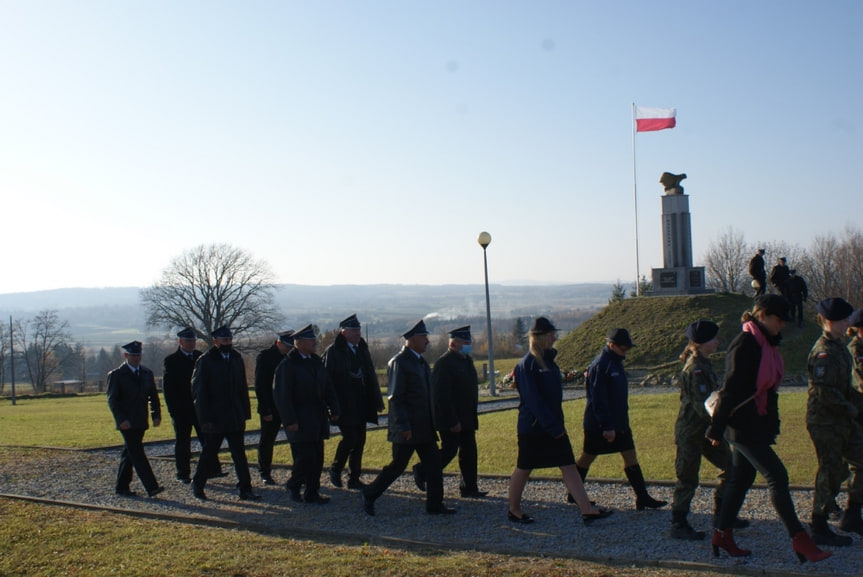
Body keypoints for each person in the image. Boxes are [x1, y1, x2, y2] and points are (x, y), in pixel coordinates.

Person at [706, 295, 830, 563]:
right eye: (778, 319)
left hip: (756, 424)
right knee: (777, 476)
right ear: (761, 315)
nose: (782, 325)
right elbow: (729, 390)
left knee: (741, 479)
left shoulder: (766, 344)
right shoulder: (745, 344)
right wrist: (715, 430)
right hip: (741, 427)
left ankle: (721, 534)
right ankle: (800, 540)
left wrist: (770, 425)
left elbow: (767, 391)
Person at [507, 317, 611, 525]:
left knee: (568, 465)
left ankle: (587, 510)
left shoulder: (549, 362)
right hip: (534, 428)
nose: (555, 337)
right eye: (551, 334)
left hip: (554, 426)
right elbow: (534, 401)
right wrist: (552, 427)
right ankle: (514, 510)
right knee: (524, 467)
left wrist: (556, 426)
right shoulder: (527, 365)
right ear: (541, 337)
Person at [361, 320, 455, 516]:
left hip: (424, 427)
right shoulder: (400, 363)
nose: (427, 341)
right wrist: (403, 426)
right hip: (408, 428)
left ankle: (435, 505)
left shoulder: (419, 362)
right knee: (397, 467)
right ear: (412, 339)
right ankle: (370, 494)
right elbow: (396, 398)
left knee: (434, 467)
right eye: (423, 337)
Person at [670, 320, 747, 540]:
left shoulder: (704, 363)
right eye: (713, 339)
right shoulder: (695, 368)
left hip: (707, 430)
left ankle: (723, 515)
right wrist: (722, 425)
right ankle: (678, 523)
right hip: (692, 431)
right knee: (687, 477)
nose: (717, 342)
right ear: (701, 343)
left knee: (731, 467)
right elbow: (702, 404)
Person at [575, 328, 666, 511]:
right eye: (623, 348)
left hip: (620, 421)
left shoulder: (616, 363)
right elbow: (597, 398)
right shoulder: (601, 365)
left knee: (630, 455)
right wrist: (606, 426)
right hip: (599, 424)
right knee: (588, 456)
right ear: (611, 345)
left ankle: (642, 496)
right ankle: (574, 493)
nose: (626, 352)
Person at [806, 298, 863, 544]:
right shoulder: (824, 352)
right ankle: (818, 525)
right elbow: (824, 391)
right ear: (830, 322)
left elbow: (845, 386)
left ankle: (852, 513)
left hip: (843, 420)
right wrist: (850, 407)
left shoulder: (839, 347)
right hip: (825, 421)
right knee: (829, 471)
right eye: (844, 320)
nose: (848, 323)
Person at [191, 326, 260, 501]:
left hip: (234, 415)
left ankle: (246, 489)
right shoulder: (206, 361)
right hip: (215, 417)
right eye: (224, 341)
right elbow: (199, 391)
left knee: (239, 455)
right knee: (209, 453)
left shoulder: (236, 358)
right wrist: (204, 418)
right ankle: (198, 485)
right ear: (215, 342)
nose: (228, 343)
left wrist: (244, 412)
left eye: (229, 340)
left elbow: (242, 388)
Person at [274, 324, 341, 504]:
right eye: (311, 340)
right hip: (299, 419)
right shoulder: (287, 366)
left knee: (317, 459)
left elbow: (328, 387)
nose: (315, 342)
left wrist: (334, 409)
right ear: (300, 343)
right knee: (304, 458)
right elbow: (282, 397)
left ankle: (312, 492)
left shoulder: (316, 362)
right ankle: (294, 485)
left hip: (316, 418)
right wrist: (290, 421)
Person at [419, 325, 487, 498]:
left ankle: (469, 487)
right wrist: (451, 421)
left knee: (469, 453)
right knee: (449, 451)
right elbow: (441, 396)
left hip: (467, 417)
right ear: (453, 344)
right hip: (451, 419)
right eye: (465, 341)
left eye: (469, 341)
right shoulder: (444, 363)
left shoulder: (466, 360)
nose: (469, 344)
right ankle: (422, 471)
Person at [323, 314, 383, 490]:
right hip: (344, 404)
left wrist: (377, 400)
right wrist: (332, 407)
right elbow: (327, 382)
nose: (358, 333)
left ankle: (354, 478)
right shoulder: (333, 352)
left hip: (361, 403)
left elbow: (370, 376)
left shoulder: (362, 349)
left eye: (358, 330)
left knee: (360, 441)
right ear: (344, 332)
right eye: (354, 330)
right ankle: (336, 468)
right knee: (350, 438)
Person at [162, 327, 223, 484]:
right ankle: (183, 473)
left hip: (200, 408)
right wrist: (173, 411)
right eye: (188, 341)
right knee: (183, 442)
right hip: (182, 409)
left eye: (193, 340)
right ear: (180, 342)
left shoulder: (199, 357)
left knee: (207, 439)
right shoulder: (171, 361)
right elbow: (169, 390)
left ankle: (213, 469)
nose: (191, 343)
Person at [106, 340, 164, 498]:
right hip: (126, 422)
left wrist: (156, 414)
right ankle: (151, 487)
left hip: (140, 420)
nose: (136, 358)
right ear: (126, 356)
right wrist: (121, 419)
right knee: (137, 453)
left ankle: (121, 486)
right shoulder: (117, 375)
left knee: (129, 453)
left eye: (138, 355)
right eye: (133, 355)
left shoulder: (146, 373)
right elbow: (112, 400)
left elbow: (153, 395)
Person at [254, 330, 295, 486]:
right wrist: (265, 409)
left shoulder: (290, 357)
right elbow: (260, 385)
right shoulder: (265, 357)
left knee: (295, 439)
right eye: (286, 346)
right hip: (271, 406)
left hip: (287, 406)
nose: (289, 349)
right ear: (279, 343)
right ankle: (264, 472)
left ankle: (298, 473)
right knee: (267, 441)